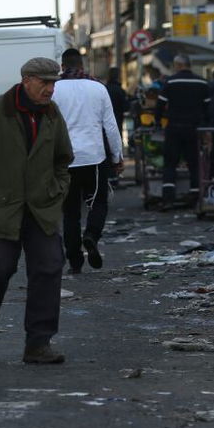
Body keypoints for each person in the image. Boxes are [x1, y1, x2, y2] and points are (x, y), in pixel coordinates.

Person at [0, 57, 74, 365]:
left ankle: (38, 343)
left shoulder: (51, 114)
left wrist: (58, 190)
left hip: (41, 208)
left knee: (48, 268)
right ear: (27, 81)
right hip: (0, 209)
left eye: (53, 83)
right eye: (44, 83)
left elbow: (63, 159)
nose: (50, 89)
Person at [54, 48, 122, 274]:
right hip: (94, 157)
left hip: (64, 159)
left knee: (70, 211)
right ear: (82, 65)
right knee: (98, 202)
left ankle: (74, 260)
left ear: (62, 66)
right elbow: (110, 126)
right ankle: (91, 235)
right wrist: (117, 157)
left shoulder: (52, 89)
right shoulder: (97, 88)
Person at [157, 55, 210, 204]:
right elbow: (207, 108)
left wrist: (157, 121)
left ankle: (168, 197)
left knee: (170, 162)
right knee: (194, 162)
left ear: (179, 65)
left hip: (174, 127)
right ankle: (195, 195)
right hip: (194, 129)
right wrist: (205, 125)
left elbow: (160, 104)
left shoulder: (171, 81)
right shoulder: (202, 82)